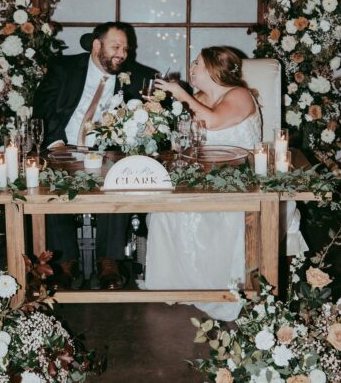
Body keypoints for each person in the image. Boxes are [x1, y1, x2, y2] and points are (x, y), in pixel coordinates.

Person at [33, 21, 155, 289]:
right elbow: (43, 106)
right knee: (51, 181)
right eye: (115, 46)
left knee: (120, 177)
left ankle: (108, 261)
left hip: (108, 154)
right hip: (62, 148)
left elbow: (152, 119)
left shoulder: (138, 76)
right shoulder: (64, 68)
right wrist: (56, 144)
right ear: (96, 45)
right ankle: (64, 262)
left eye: (125, 48)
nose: (121, 54)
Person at [145, 46, 264, 320]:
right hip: (202, 176)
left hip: (240, 182)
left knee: (214, 217)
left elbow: (211, 121)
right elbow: (184, 138)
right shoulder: (198, 97)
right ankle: (177, 288)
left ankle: (219, 290)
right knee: (164, 210)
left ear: (212, 69)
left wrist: (181, 94)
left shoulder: (240, 95)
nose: (191, 68)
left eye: (196, 63)